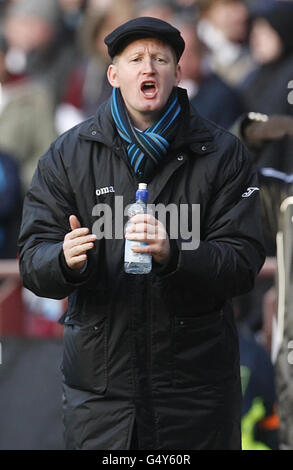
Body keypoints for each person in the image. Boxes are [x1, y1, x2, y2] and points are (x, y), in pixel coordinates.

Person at [18, 17, 265, 450]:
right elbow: (32, 258)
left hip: (195, 395)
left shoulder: (223, 153)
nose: (148, 68)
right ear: (114, 74)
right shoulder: (68, 155)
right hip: (102, 398)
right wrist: (62, 260)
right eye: (135, 59)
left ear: (177, 72)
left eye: (160, 59)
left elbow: (243, 261)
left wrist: (176, 255)